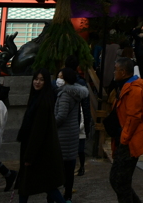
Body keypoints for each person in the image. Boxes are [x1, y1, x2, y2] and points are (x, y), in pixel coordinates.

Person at [15, 70, 64, 203]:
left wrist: (29, 155)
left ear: (46, 82)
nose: (37, 82)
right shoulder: (37, 98)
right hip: (37, 151)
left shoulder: (43, 102)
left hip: (38, 152)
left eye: (41, 80)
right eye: (36, 79)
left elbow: (38, 131)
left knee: (39, 186)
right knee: (40, 185)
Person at [110, 56, 143, 203]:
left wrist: (124, 138)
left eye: (115, 70)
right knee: (119, 181)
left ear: (122, 72)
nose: (113, 72)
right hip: (125, 138)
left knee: (119, 181)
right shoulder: (126, 87)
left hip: (129, 140)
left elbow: (133, 117)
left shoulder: (134, 90)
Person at [56, 68, 88, 202]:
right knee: (70, 166)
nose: (58, 79)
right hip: (72, 132)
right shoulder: (76, 93)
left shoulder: (65, 94)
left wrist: (51, 124)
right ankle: (68, 196)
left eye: (60, 77)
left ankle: (59, 197)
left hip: (63, 134)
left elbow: (61, 116)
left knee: (60, 167)